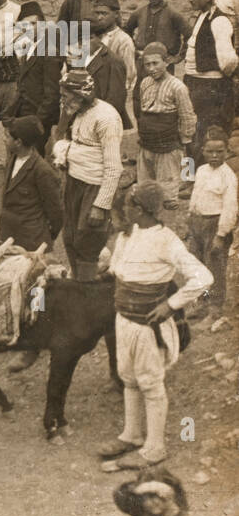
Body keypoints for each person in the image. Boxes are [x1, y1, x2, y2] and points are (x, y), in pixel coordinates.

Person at [97, 182, 211, 471]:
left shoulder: (167, 240)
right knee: (129, 377)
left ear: (141, 208)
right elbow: (119, 269)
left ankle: (155, 448)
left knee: (150, 381)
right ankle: (132, 434)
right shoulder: (130, 234)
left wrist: (171, 305)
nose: (124, 209)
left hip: (148, 325)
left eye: (129, 204)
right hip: (124, 318)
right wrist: (106, 271)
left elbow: (203, 277)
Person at [52, 69, 123, 280]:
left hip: (94, 187)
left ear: (80, 95)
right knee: (70, 237)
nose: (63, 100)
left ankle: (88, 290)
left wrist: (101, 205)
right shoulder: (78, 112)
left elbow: (113, 167)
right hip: (75, 183)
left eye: (66, 96)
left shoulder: (106, 118)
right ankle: (77, 282)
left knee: (88, 241)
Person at [182, 0, 237, 154]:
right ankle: (188, 176)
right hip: (194, 84)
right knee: (187, 133)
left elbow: (228, 61)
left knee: (206, 136)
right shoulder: (202, 16)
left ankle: (204, 176)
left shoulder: (219, 21)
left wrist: (217, 81)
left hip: (209, 89)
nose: (190, 0)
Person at [186, 128, 236, 328]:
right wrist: (190, 221)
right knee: (198, 267)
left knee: (214, 268)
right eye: (210, 151)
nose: (214, 156)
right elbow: (196, 197)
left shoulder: (228, 176)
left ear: (227, 152)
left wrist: (221, 235)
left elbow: (230, 208)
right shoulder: (200, 171)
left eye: (220, 152)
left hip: (214, 226)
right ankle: (202, 302)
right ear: (203, 151)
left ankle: (215, 310)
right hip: (197, 224)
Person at [135, 42, 196, 205]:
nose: (151, 68)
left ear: (166, 62)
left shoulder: (178, 87)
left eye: (155, 63)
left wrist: (184, 140)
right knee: (145, 188)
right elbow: (143, 111)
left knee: (167, 188)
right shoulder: (145, 83)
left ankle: (168, 213)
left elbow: (187, 115)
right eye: (147, 64)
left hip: (167, 144)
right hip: (147, 142)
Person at [0, 115, 63, 252]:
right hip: (7, 235)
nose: (4, 139)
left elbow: (56, 211)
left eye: (7, 136)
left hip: (30, 243)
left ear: (18, 142)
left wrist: (45, 236)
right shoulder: (12, 159)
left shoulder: (42, 171)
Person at [8, 2, 63, 138]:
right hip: (24, 114)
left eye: (33, 24)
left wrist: (38, 120)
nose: (29, 29)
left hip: (38, 118)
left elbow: (52, 94)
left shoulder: (49, 51)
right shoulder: (29, 47)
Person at [124, 0, 190, 69]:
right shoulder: (139, 12)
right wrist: (134, 50)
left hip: (164, 63)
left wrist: (178, 57)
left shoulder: (173, 14)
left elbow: (189, 35)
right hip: (142, 62)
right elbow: (126, 30)